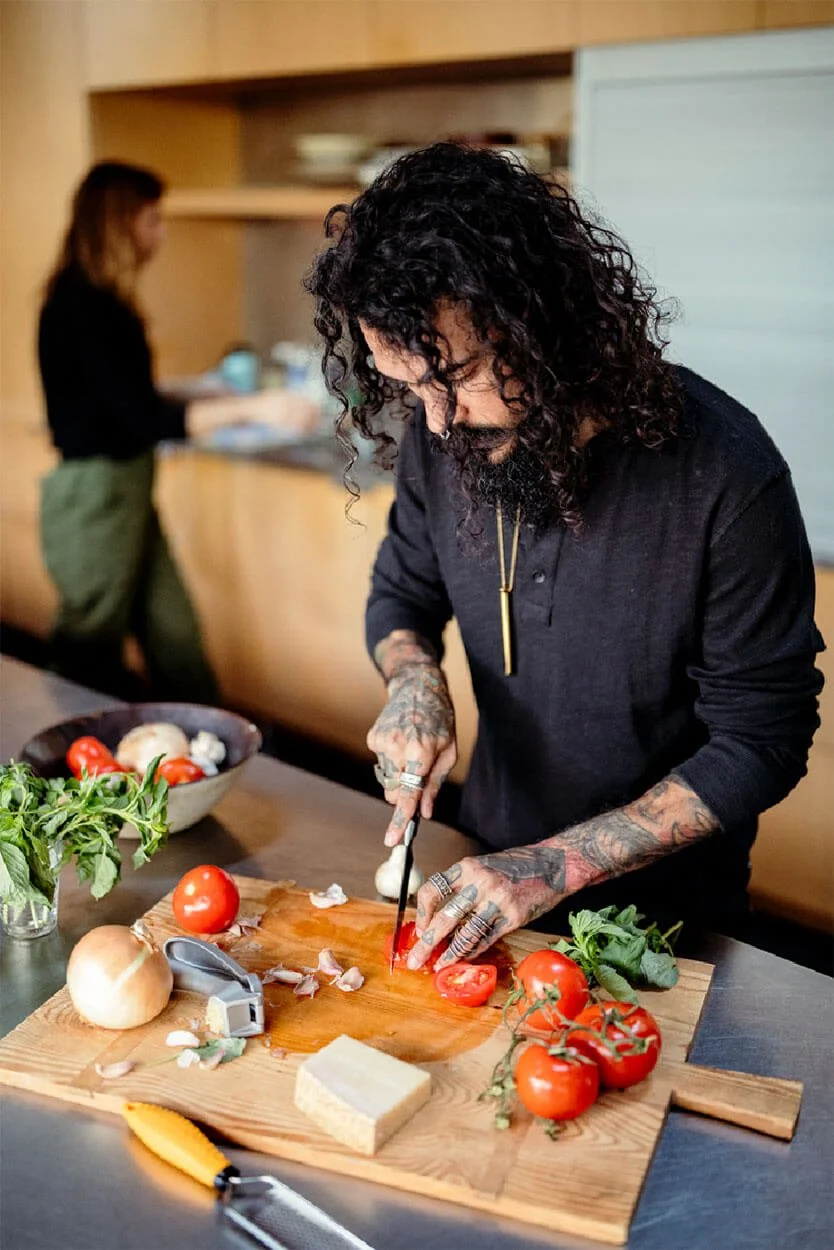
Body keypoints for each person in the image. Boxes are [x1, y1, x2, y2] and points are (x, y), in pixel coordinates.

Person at [306, 142, 824, 969]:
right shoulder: (446, 441)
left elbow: (763, 738)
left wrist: (556, 865)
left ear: (541, 317)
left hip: (670, 930)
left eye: (461, 374)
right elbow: (403, 591)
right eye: (408, 387)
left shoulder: (725, 472)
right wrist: (413, 681)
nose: (436, 423)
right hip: (485, 871)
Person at [38, 160, 313, 702]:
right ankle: (65, 774)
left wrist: (201, 390)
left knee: (175, 636)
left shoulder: (96, 302)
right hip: (97, 495)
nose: (159, 235)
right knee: (86, 648)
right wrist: (255, 409)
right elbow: (140, 419)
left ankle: (212, 752)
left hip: (124, 489)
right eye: (152, 222)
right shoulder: (86, 307)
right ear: (119, 224)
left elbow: (122, 400)